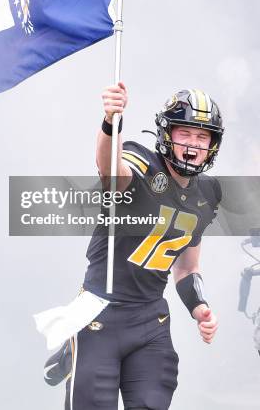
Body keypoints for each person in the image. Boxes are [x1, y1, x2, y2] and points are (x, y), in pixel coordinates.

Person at [42, 84, 224, 410]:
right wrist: (111, 120)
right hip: (100, 313)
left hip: (150, 320)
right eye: (185, 134)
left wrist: (199, 308)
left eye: (202, 137)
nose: (194, 145)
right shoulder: (141, 161)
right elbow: (110, 171)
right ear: (167, 134)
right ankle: (77, 347)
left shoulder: (208, 193)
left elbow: (186, 267)